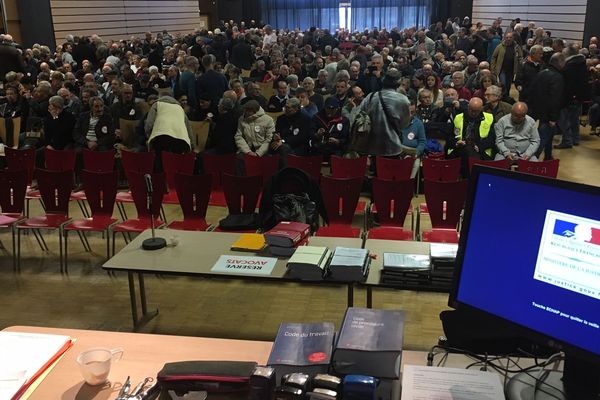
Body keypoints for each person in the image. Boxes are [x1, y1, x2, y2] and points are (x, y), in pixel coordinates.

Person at [351, 68, 410, 156]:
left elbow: (359, 116)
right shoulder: (403, 100)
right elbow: (405, 123)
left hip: (372, 147)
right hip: (393, 147)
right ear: (398, 83)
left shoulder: (370, 96)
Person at [529, 53, 565, 160]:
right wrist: (553, 117)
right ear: (559, 62)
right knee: (542, 138)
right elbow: (555, 98)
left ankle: (548, 156)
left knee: (548, 135)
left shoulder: (541, 73)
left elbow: (532, 90)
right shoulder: (558, 77)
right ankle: (532, 160)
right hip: (548, 114)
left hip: (538, 109)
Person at [447, 97, 495, 176]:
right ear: (468, 107)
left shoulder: (489, 118)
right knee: (466, 148)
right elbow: (449, 137)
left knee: (468, 152)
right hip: (459, 149)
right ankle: (474, 176)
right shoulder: (458, 117)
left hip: (481, 151)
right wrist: (456, 142)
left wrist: (479, 146)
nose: (473, 113)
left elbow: (492, 138)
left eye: (476, 111)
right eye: (471, 110)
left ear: (481, 109)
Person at [555, 44, 590, 149]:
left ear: (567, 54)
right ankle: (575, 139)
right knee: (574, 119)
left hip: (570, 97)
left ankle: (567, 140)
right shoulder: (581, 63)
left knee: (564, 119)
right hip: (579, 97)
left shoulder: (570, 66)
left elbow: (568, 84)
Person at [144, 95, 195, 160]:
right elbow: (188, 127)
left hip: (161, 136)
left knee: (160, 161)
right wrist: (192, 145)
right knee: (175, 162)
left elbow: (149, 123)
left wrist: (148, 136)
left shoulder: (157, 104)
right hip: (180, 138)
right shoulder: (180, 108)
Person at [271, 98, 311, 165]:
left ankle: (286, 172)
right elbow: (277, 132)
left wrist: (283, 141)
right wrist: (276, 137)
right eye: (285, 107)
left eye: (288, 107)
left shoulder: (305, 119)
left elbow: (301, 137)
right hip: (280, 143)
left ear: (296, 108)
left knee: (284, 148)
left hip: (298, 147)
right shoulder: (281, 119)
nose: (285, 109)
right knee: (271, 146)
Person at [400, 99, 427, 178]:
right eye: (408, 112)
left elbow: (422, 141)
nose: (410, 115)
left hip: (413, 153)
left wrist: (417, 152)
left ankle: (409, 184)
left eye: (412, 112)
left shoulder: (418, 123)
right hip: (398, 152)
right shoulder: (397, 122)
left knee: (416, 163)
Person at [490, 32, 523, 96]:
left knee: (508, 85)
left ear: (513, 38)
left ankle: (506, 96)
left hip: (511, 70)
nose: (508, 39)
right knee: (503, 84)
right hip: (502, 69)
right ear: (505, 38)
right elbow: (494, 57)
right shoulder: (500, 46)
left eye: (510, 37)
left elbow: (520, 57)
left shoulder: (516, 47)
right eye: (507, 37)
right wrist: (493, 67)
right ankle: (502, 96)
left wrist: (520, 64)